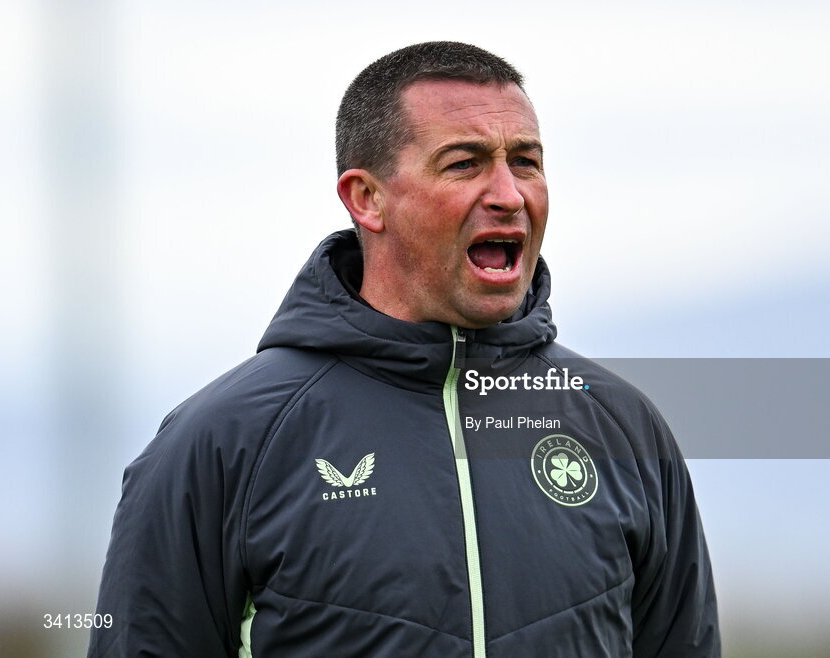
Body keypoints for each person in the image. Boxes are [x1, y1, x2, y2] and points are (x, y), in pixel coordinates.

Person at [89, 41, 719, 657]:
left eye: (525, 161)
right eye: (465, 163)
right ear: (367, 199)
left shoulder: (621, 427)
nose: (509, 194)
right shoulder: (226, 440)